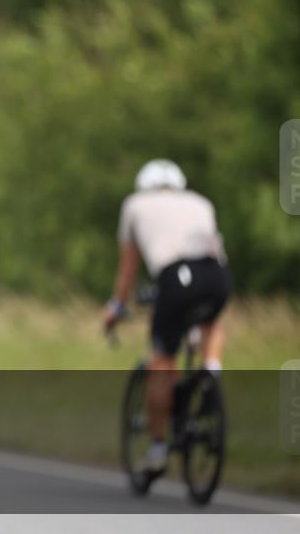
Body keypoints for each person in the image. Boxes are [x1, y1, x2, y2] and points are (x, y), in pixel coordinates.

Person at [103, 159, 231, 473]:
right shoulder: (201, 202)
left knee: (162, 359)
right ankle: (211, 373)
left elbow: (129, 268)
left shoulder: (134, 205)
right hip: (218, 275)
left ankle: (159, 449)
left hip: (175, 277)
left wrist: (116, 307)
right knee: (211, 322)